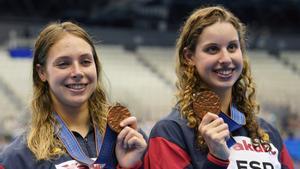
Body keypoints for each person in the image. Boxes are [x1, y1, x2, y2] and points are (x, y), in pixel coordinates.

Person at [143, 6, 294, 169]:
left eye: (232, 47)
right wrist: (217, 159)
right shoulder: (171, 132)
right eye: (212, 49)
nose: (226, 58)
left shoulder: (267, 132)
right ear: (189, 57)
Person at [0, 21, 146, 169]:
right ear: (42, 72)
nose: (77, 72)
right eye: (63, 64)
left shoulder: (128, 139)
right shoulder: (18, 158)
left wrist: (132, 166)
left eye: (85, 62)